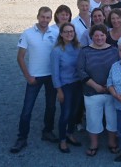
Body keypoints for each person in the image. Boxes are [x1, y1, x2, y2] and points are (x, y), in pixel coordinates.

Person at [10, 7, 58, 154]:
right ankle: (22, 138)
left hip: (50, 76)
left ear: (51, 18)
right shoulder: (28, 33)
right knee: (27, 109)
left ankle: (47, 131)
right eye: (43, 17)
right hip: (34, 76)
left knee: (51, 106)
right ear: (38, 17)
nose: (45, 20)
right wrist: (28, 76)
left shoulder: (55, 33)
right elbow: (20, 57)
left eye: (48, 17)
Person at [77, 24, 120, 157]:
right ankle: (94, 144)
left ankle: (112, 142)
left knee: (112, 119)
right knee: (92, 118)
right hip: (92, 91)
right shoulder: (85, 51)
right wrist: (95, 86)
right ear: (91, 37)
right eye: (96, 35)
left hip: (111, 91)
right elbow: (80, 70)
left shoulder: (114, 50)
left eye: (102, 35)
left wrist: (110, 85)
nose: (99, 38)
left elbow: (120, 68)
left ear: (105, 35)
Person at [50, 23, 82, 153]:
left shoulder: (78, 48)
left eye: (71, 31)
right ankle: (62, 139)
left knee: (75, 112)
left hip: (77, 84)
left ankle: (70, 133)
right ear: (61, 34)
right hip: (65, 85)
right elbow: (55, 73)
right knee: (65, 113)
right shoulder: (57, 51)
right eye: (66, 31)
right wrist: (59, 90)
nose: (69, 34)